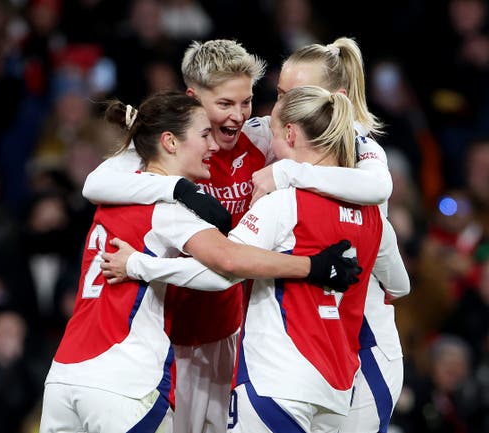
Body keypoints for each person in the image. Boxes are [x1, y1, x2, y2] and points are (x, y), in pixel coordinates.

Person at [40, 91, 359, 433]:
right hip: (124, 382)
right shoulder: (169, 212)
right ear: (170, 142)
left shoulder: (114, 194)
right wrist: (313, 266)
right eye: (204, 135)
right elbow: (228, 262)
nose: (213, 147)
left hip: (64, 377)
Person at [101, 86, 410, 432]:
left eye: (273, 134)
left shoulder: (283, 204)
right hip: (336, 391)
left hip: (275, 382)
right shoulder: (375, 220)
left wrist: (138, 264)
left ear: (290, 134)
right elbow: (398, 287)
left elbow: (223, 269)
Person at [250, 37, 408, 433]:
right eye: (281, 94)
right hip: (304, 348)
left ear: (335, 98)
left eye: (297, 95)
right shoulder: (280, 132)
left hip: (362, 343)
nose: (282, 106)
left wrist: (287, 173)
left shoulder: (360, 146)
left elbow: (378, 189)